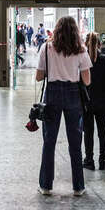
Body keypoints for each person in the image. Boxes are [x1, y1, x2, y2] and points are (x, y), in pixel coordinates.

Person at [36, 16, 92, 197]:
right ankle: (78, 187)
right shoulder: (81, 49)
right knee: (75, 142)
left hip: (52, 93)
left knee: (49, 141)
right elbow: (87, 80)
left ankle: (45, 185)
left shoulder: (46, 48)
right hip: (73, 94)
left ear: (57, 29)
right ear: (75, 31)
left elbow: (38, 77)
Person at [83, 32, 105, 171]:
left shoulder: (82, 60)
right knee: (103, 132)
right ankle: (102, 161)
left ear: (85, 43)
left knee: (88, 132)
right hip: (103, 101)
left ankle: (89, 160)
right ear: (100, 44)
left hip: (87, 102)